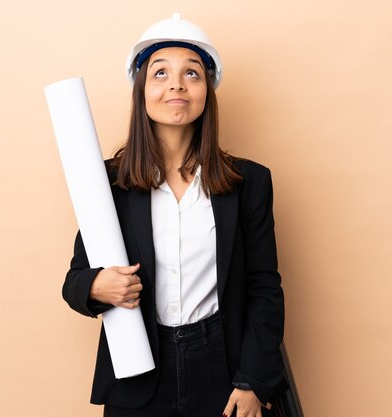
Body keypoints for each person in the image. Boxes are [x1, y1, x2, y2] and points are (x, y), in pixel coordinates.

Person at [63, 13, 285, 417]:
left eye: (192, 73)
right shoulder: (108, 184)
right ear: (142, 91)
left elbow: (263, 288)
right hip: (140, 373)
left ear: (206, 91)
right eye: (160, 73)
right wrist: (97, 286)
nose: (177, 85)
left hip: (223, 368)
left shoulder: (249, 182)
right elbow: (74, 281)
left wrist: (255, 380)